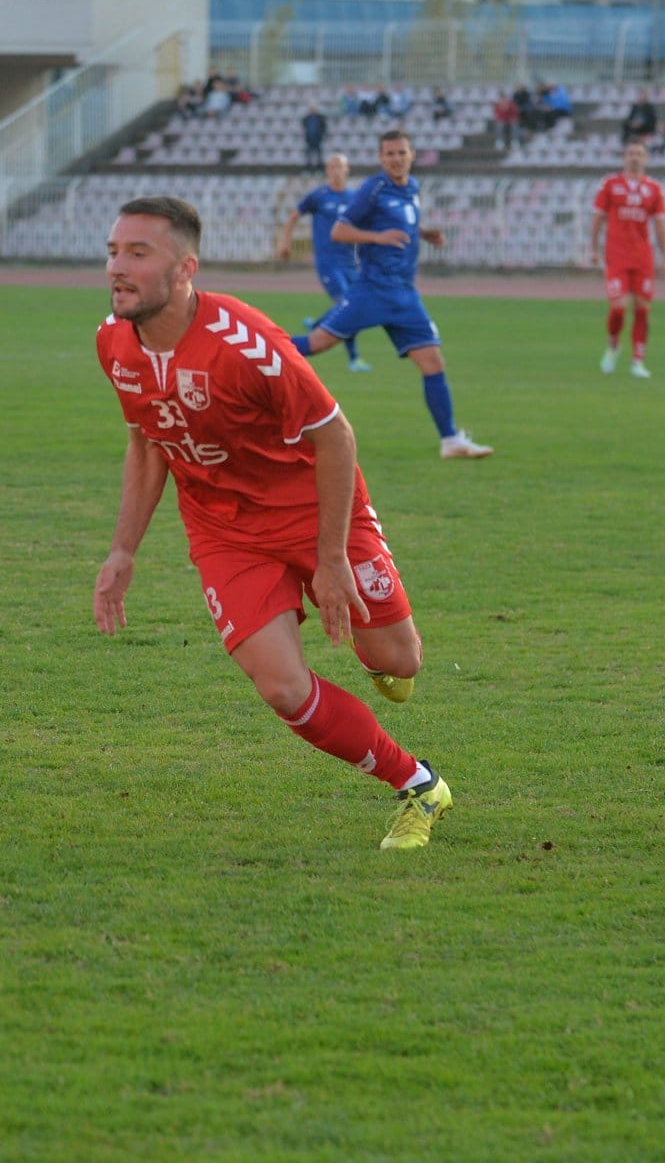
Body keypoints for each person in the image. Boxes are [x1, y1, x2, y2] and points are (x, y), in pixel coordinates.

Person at [93, 195, 453, 851]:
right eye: (114, 251)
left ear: (184, 269)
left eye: (138, 253)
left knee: (397, 660)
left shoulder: (248, 345)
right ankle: (419, 785)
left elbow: (336, 438)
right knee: (284, 688)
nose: (118, 266)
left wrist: (331, 561)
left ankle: (381, 650)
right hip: (223, 530)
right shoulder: (112, 342)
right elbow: (148, 440)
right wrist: (123, 550)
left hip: (316, 511)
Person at [290, 129, 493, 460]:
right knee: (317, 344)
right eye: (390, 154)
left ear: (412, 154)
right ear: (380, 158)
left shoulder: (412, 187)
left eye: (402, 153)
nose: (397, 159)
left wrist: (424, 234)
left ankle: (450, 440)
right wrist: (377, 237)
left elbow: (405, 226)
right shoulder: (374, 188)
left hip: (404, 294)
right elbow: (339, 231)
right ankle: (259, 350)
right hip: (372, 290)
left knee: (432, 362)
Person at [275, 153, 372, 374]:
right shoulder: (319, 196)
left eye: (340, 166)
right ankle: (354, 358)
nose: (336, 170)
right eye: (332, 166)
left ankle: (318, 325)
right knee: (348, 306)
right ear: (328, 171)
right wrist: (285, 242)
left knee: (354, 305)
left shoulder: (354, 198)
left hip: (351, 263)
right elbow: (293, 216)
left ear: (347, 170)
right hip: (329, 263)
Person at [590, 140, 665, 379]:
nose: (635, 158)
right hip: (616, 255)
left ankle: (638, 360)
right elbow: (598, 218)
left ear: (645, 159)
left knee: (643, 309)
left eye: (639, 154)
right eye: (631, 153)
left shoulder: (654, 189)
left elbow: (660, 224)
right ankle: (613, 344)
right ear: (624, 158)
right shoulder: (610, 185)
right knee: (618, 308)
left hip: (642, 257)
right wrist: (593, 248)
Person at [300, 103, 328, 171]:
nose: (312, 110)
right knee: (309, 154)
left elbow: (323, 127)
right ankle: (308, 167)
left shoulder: (320, 117)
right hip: (309, 138)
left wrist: (322, 135)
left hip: (318, 138)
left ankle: (320, 167)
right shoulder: (306, 118)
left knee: (319, 154)